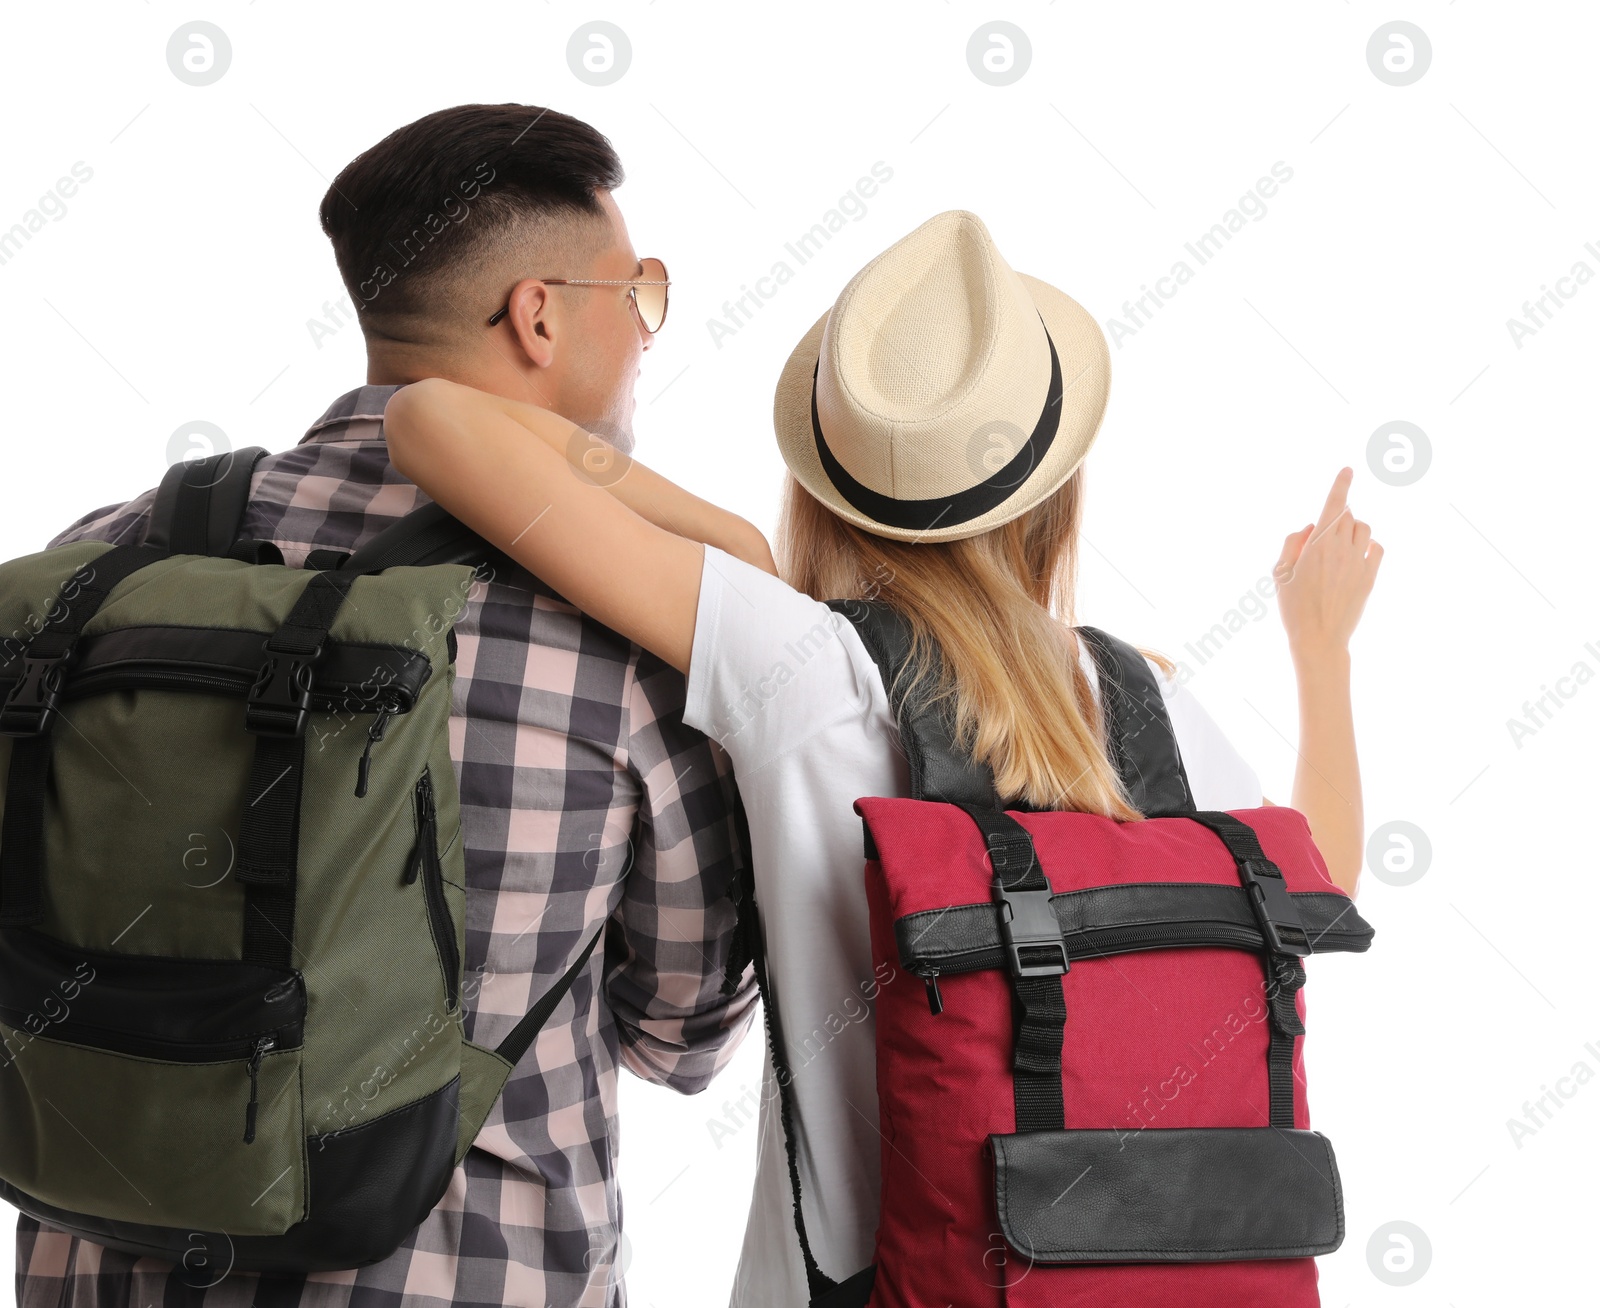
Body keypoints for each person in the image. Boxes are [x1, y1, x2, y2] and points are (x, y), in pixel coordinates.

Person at [377, 209, 1384, 1305]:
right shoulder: (1144, 695)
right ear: (1054, 486)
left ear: (825, 478)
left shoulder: (803, 667)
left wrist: (739, 550)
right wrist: (1320, 651)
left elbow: (433, 418)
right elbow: (1313, 879)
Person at [14, 104, 759, 1308]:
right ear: (539, 313)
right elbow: (682, 1035)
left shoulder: (100, 559)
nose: (648, 336)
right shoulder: (635, 632)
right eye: (641, 295)